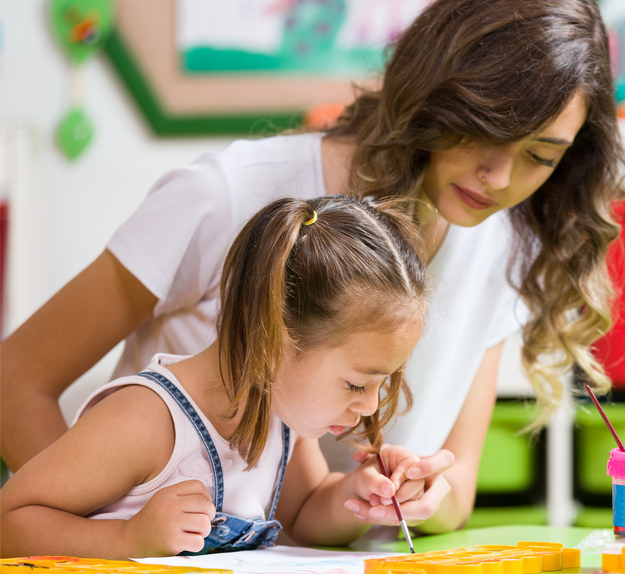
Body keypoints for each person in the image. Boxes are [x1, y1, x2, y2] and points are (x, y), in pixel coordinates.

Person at [0, 0, 625, 533]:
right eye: (485, 131)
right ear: (437, 92)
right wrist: (99, 535)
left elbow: (454, 482)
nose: (499, 177)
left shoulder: (501, 243)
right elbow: (16, 380)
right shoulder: (230, 195)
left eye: (540, 157)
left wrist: (417, 495)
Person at [0, 195, 432, 558]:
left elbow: (304, 518)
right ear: (276, 339)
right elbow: (10, 522)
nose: (372, 405)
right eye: (357, 383)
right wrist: (128, 538)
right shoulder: (146, 421)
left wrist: (357, 494)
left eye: (385, 383)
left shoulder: (280, 417)